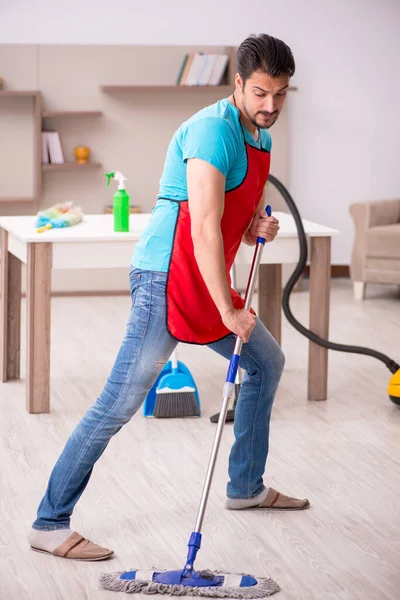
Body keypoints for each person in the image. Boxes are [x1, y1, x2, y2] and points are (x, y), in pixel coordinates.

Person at [28, 33, 309, 562]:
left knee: (267, 362)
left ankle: (245, 488)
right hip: (166, 277)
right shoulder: (210, 131)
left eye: (281, 94)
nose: (271, 106)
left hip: (204, 276)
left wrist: (257, 229)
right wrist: (229, 308)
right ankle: (49, 522)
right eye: (261, 93)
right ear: (239, 85)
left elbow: (231, 221)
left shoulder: (260, 139)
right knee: (119, 403)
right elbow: (202, 226)